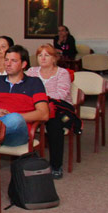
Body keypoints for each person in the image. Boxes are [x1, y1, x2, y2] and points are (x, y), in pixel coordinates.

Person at [0, 45, 49, 148]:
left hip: (16, 133)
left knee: (14, 119)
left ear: (23, 64)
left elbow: (44, 114)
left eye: (13, 61)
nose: (8, 64)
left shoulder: (34, 83)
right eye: (6, 60)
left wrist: (11, 116)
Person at [26, 44, 72, 178]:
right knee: (21, 120)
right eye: (40, 55)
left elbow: (61, 94)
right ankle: (27, 161)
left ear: (54, 58)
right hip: (36, 107)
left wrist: (40, 99)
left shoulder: (62, 73)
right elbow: (25, 91)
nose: (43, 58)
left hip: (60, 109)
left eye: (47, 55)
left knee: (55, 125)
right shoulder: (31, 72)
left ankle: (56, 166)